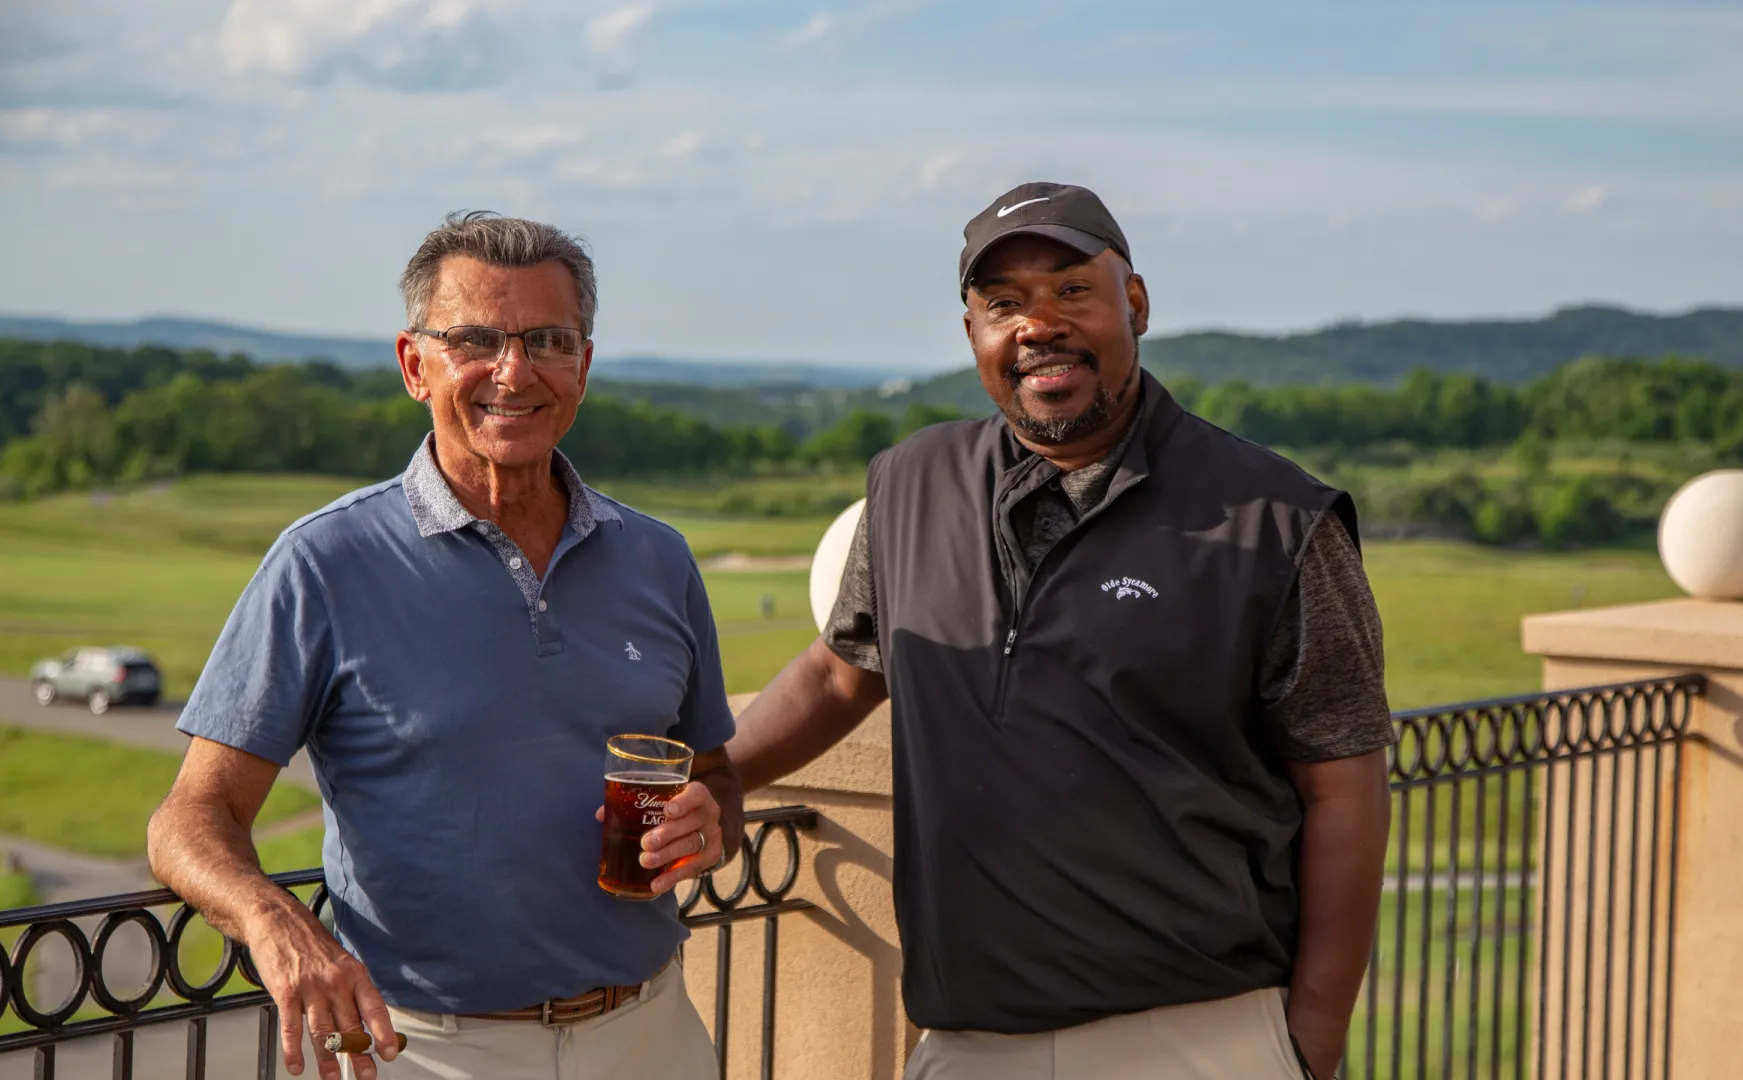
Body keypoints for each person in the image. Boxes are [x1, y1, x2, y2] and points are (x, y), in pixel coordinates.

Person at [726, 183, 1395, 1080]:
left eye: (1071, 290)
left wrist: (1309, 1043)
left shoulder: (1277, 520)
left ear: (1137, 303)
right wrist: (713, 774)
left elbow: (1345, 788)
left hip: (1195, 1038)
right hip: (966, 1045)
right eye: (1004, 304)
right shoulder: (911, 484)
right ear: (973, 335)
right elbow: (844, 669)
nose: (1038, 325)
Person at [148, 212, 742, 1080]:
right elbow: (188, 821)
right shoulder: (323, 563)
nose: (514, 371)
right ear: (413, 365)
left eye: (547, 338)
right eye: (474, 339)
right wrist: (280, 928)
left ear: (582, 364)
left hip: (651, 1032)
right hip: (421, 1049)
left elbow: (717, 770)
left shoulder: (659, 558)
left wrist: (710, 818)